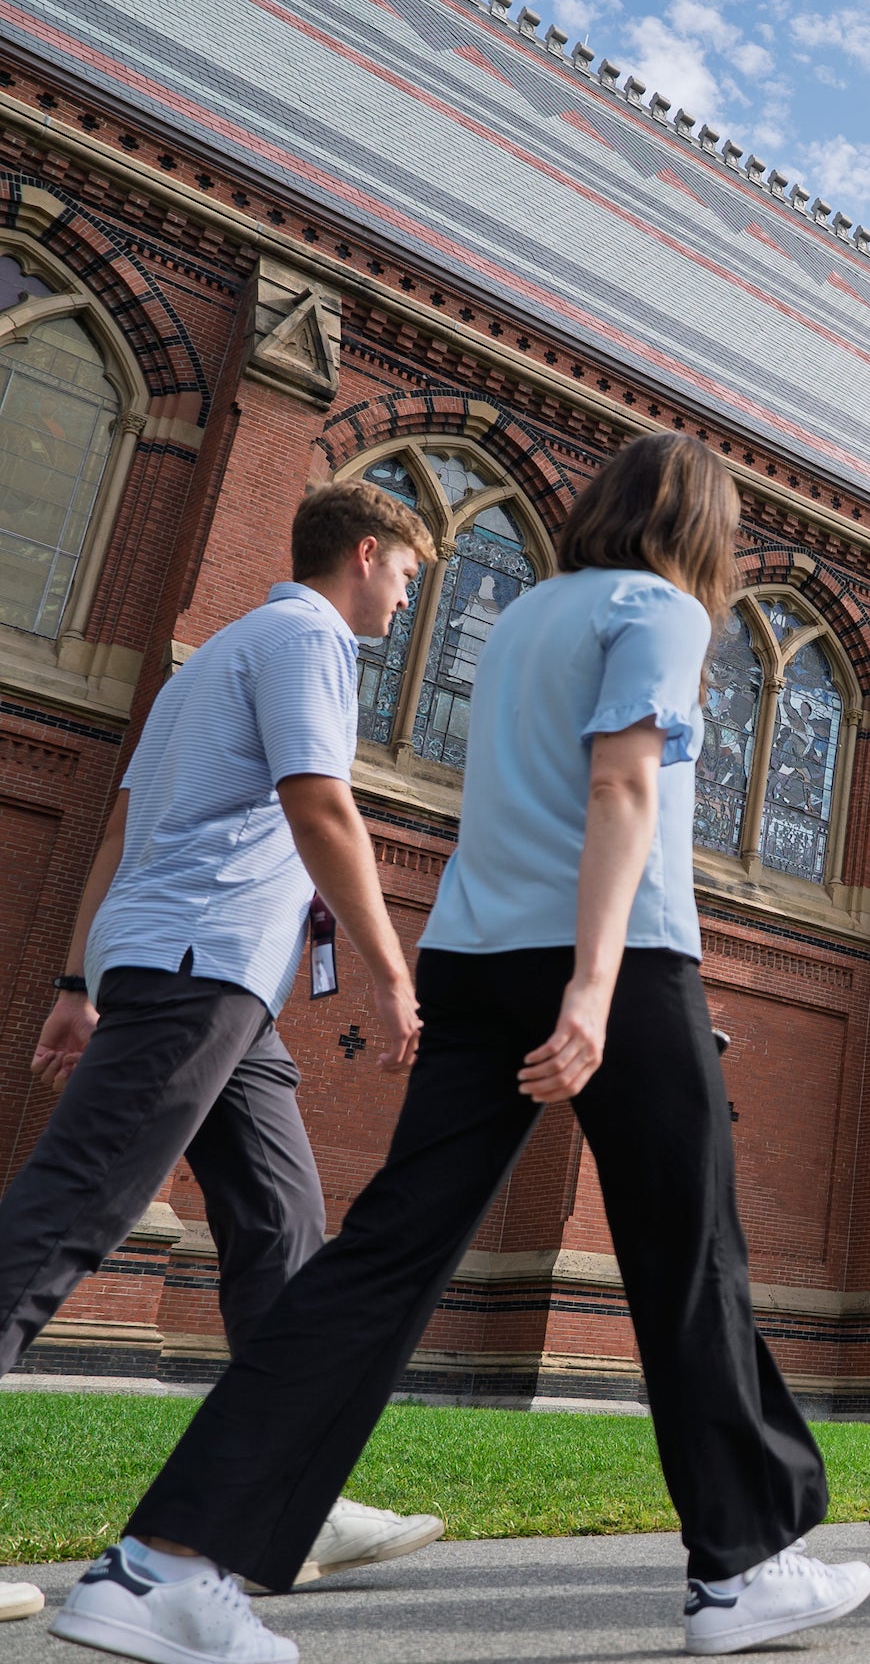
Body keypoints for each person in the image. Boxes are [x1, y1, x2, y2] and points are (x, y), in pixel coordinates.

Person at [55, 435, 870, 1663]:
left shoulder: (529, 614)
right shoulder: (662, 610)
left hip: (474, 956)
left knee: (383, 1254)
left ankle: (161, 1561)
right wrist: (597, 986)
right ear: (702, 528)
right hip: (616, 956)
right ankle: (742, 1567)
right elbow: (621, 790)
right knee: (690, 1249)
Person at [0, 477, 447, 1628]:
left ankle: (287, 1494)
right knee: (66, 1216)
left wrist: (74, 980)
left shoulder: (213, 657)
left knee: (283, 1231)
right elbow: (319, 803)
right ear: (365, 553)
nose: (406, 603)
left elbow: (119, 826)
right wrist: (394, 970)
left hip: (206, 979)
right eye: (408, 575)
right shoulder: (308, 637)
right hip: (200, 967)